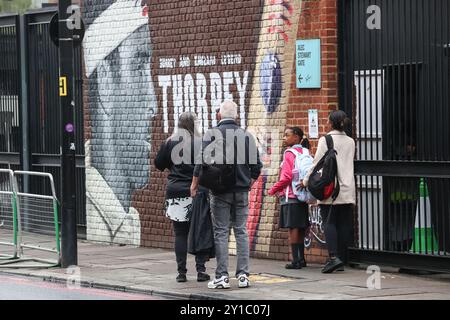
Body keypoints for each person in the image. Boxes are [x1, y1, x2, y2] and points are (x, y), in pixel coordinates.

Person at [83, 0, 156, 245]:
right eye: (138, 66)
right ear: (104, 82)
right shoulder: (95, 216)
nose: (153, 106)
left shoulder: (124, 217)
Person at [190, 100, 262, 289]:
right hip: (241, 191)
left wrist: (194, 185)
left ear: (220, 115)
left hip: (219, 191)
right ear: (236, 116)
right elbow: (257, 168)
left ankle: (222, 277)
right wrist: (247, 185)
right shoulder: (246, 136)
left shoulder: (212, 134)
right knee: (241, 231)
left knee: (221, 232)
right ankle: (243, 276)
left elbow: (201, 162)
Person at [154, 112, 211, 283]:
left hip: (176, 191)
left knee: (180, 234)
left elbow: (158, 164)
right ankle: (201, 271)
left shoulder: (170, 142)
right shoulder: (201, 143)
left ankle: (181, 273)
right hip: (198, 192)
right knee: (199, 231)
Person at [303, 110, 356, 273]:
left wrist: (306, 180)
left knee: (329, 222)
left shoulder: (326, 140)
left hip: (331, 188)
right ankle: (340, 257)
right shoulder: (350, 141)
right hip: (347, 187)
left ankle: (333, 258)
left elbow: (317, 163)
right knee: (343, 224)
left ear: (331, 122)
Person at [268, 127, 311, 269]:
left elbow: (286, 177)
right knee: (299, 228)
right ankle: (301, 259)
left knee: (292, 228)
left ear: (296, 137)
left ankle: (295, 261)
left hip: (290, 195)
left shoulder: (289, 153)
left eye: (287, 135)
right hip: (302, 194)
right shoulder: (305, 151)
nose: (284, 138)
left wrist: (273, 189)